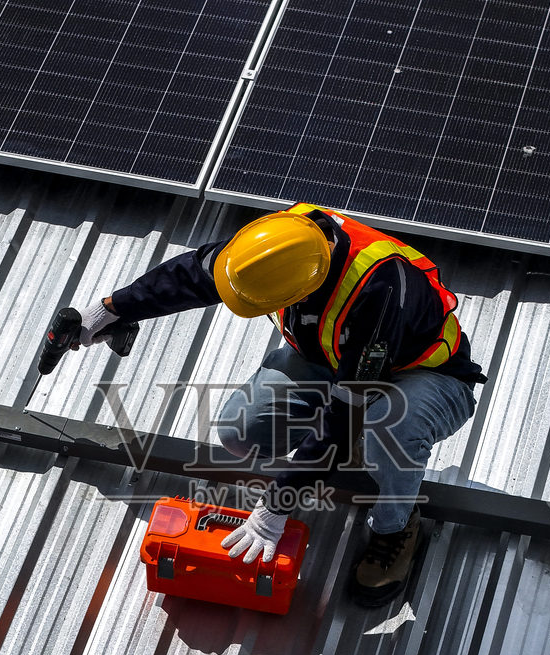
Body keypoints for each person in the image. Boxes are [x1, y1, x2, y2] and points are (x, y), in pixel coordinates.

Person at [64, 203, 486, 603]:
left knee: (389, 427)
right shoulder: (274, 245)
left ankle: (396, 526)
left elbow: (346, 411)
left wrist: (275, 507)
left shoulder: (380, 289)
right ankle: (352, 448)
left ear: (305, 289)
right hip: (332, 358)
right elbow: (190, 276)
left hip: (424, 374)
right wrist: (109, 311)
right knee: (239, 432)